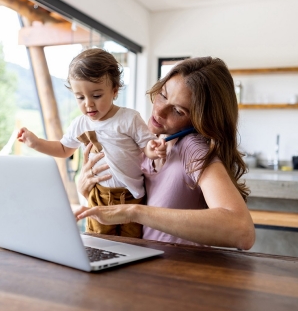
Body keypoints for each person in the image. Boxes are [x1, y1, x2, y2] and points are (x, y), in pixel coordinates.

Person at [74, 56, 256, 250]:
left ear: (201, 120)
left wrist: (134, 211)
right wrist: (86, 189)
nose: (159, 111)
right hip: (141, 266)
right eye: (162, 94)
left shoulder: (192, 148)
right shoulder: (149, 143)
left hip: (176, 273)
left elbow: (242, 231)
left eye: (178, 111)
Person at [17, 48, 166, 238]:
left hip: (131, 196)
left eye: (96, 96)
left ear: (114, 91)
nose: (88, 103)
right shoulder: (80, 123)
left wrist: (153, 150)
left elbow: (146, 145)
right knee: (98, 240)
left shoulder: (129, 118)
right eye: (80, 97)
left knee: (133, 240)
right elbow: (63, 149)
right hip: (98, 196)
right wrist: (36, 142)